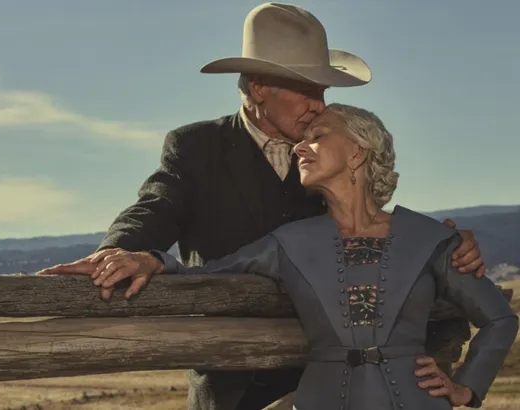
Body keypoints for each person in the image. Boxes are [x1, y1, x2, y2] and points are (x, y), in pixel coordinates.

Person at [36, 3, 487, 410]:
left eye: (322, 92)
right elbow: (155, 208)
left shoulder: (328, 152)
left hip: (325, 379)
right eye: (305, 90)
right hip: (229, 380)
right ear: (258, 86)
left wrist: (442, 244)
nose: (318, 106)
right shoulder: (196, 147)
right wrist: (118, 251)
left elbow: (369, 223)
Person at [69, 103, 519, 410]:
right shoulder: (288, 242)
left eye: (318, 137)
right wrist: (150, 259)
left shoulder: (430, 238)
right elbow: (208, 274)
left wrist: (466, 387)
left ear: (358, 153)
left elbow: (499, 319)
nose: (301, 145)